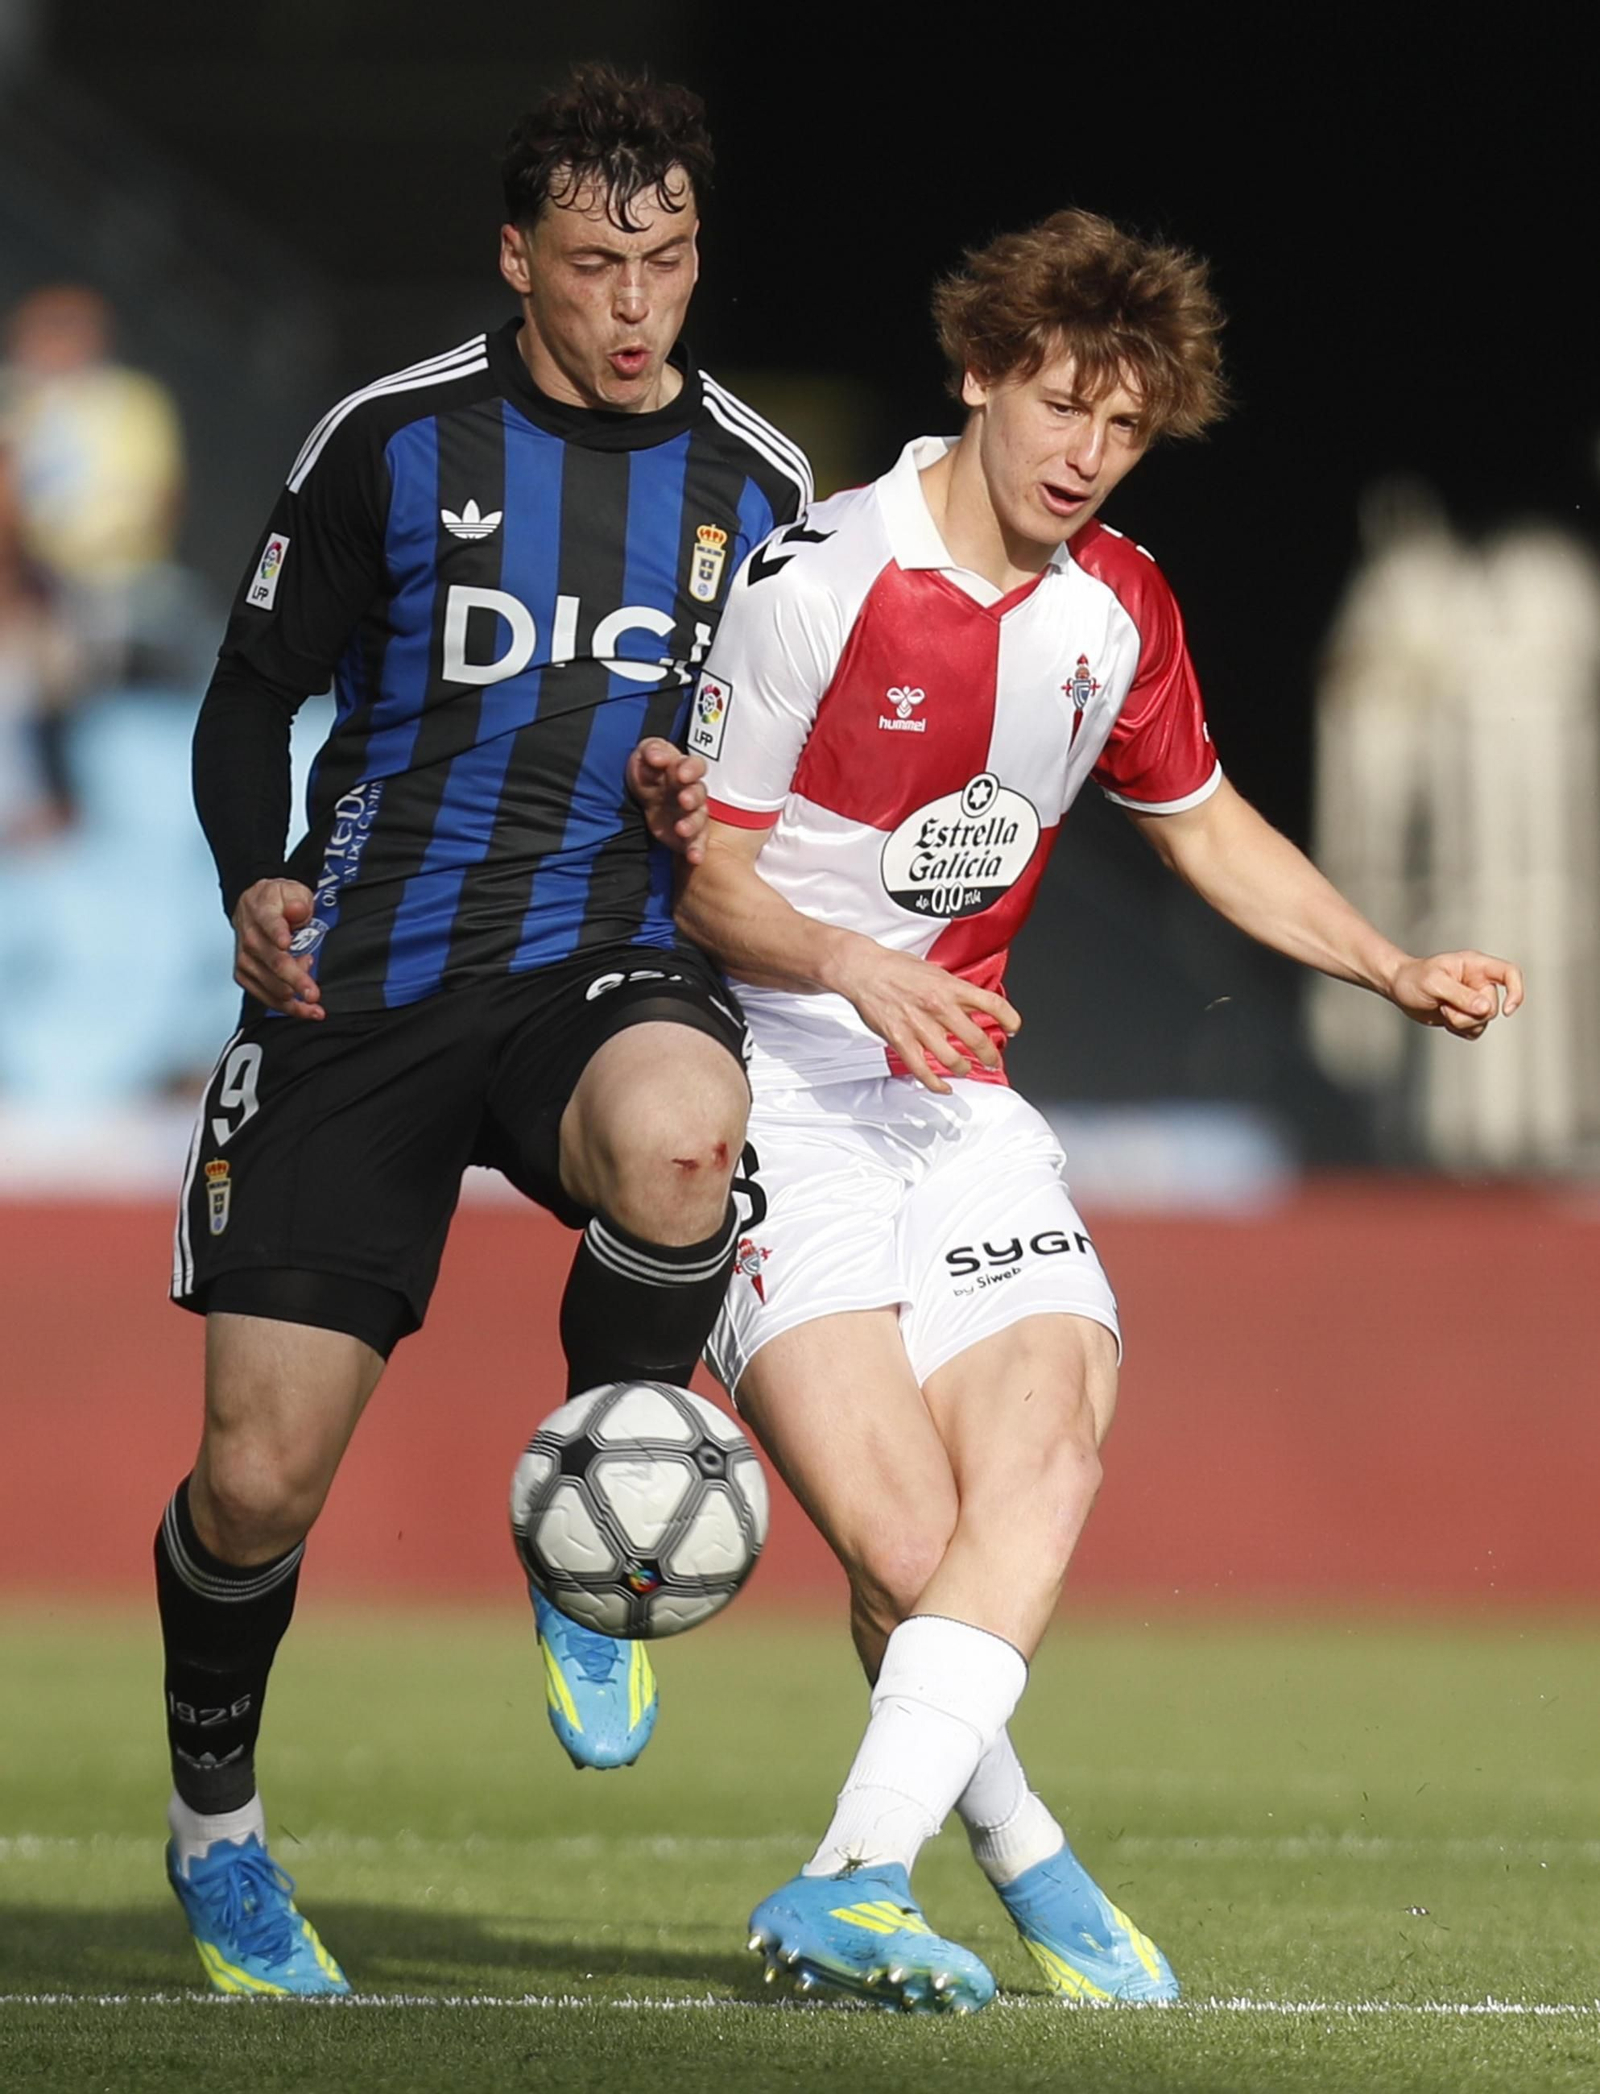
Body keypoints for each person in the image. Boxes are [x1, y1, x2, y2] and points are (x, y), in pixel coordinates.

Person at [674, 208, 1523, 2014]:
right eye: (1060, 406)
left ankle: (847, 1880)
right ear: (978, 374)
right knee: (911, 1554)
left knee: (1045, 1459)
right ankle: (1029, 1853)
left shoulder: (1115, 606)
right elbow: (711, 886)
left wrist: (1388, 966)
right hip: (782, 1086)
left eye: (1122, 429)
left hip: (960, 1092)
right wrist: (856, 967)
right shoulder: (822, 577)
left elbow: (1206, 824)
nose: (1082, 454)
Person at [158, 63, 810, 1997]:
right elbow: (240, 700)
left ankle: (589, 1533)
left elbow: (792, 764)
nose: (637, 306)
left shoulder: (759, 490)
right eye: (600, 263)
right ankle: (217, 1840)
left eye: (670, 261)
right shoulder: (392, 439)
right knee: (259, 1484)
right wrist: (254, 877)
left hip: (599, 971)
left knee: (688, 1132)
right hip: (363, 981)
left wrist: (733, 822)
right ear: (516, 256)